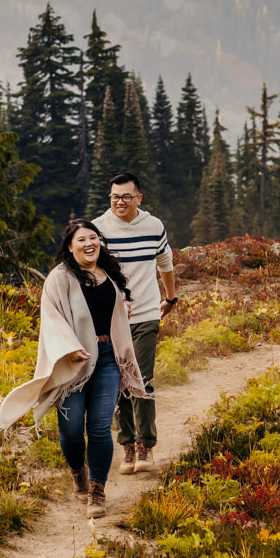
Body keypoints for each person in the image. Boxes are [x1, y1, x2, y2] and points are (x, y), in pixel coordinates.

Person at [0, 220, 150, 518]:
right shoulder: (60, 277)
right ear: (70, 246)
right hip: (73, 362)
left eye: (94, 237)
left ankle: (96, 490)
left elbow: (116, 309)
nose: (89, 243)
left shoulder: (108, 274)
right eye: (82, 239)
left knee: (101, 427)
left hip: (107, 359)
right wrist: (69, 346)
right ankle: (78, 469)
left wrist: (121, 307)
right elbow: (51, 317)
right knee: (71, 428)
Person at [93, 172, 177, 473]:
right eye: (115, 196)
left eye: (126, 197)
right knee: (117, 382)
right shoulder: (99, 229)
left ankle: (146, 446)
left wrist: (171, 297)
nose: (120, 202)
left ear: (138, 198)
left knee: (142, 378)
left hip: (146, 315)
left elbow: (165, 263)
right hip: (112, 319)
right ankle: (127, 445)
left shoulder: (153, 226)